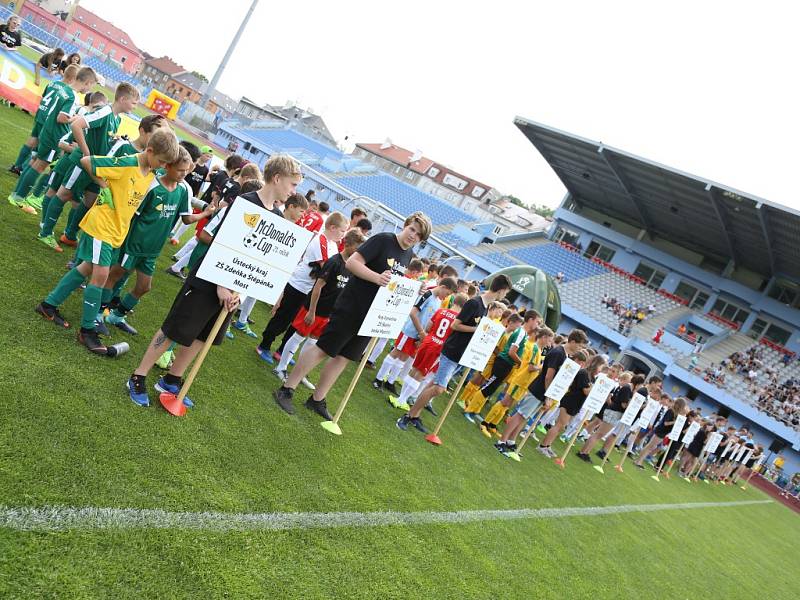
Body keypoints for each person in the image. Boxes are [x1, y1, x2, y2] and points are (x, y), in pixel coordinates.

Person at [125, 154, 303, 407]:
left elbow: (259, 259)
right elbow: (222, 243)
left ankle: (172, 379)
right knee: (175, 328)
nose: (294, 191)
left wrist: (239, 292)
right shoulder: (245, 202)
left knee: (202, 334)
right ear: (277, 178)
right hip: (209, 280)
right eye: (293, 184)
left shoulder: (277, 217)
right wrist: (222, 285)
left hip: (233, 291)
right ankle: (138, 375)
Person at [273, 212, 433, 418]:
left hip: (372, 317)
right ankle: (287, 388)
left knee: (344, 357)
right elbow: (352, 263)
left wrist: (414, 288)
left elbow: (393, 283)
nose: (413, 236)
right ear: (406, 224)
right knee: (324, 348)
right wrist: (377, 277)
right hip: (352, 306)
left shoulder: (408, 255)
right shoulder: (383, 240)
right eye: (412, 229)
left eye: (419, 235)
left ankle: (317, 399)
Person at [35, 129, 180, 353]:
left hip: (117, 231)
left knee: (86, 268)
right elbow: (86, 161)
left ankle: (48, 305)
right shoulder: (126, 163)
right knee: (100, 275)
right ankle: (87, 331)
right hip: (101, 226)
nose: (162, 166)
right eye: (161, 161)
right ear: (149, 151)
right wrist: (104, 186)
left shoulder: (150, 173)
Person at [103, 146, 213, 335]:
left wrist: (205, 213)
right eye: (180, 170)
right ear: (167, 166)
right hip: (134, 244)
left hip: (152, 250)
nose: (183, 174)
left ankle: (117, 316)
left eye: (186, 171)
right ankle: (97, 314)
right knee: (115, 276)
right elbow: (132, 215)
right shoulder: (152, 185)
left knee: (144, 287)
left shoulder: (183, 190)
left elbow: (186, 218)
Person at [396, 274, 513, 433]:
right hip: (452, 350)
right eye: (506, 292)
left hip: (461, 353)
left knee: (433, 385)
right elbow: (455, 325)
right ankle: (408, 415)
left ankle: (415, 414)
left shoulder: (485, 307)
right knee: (439, 388)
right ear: (501, 290)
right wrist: (476, 329)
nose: (505, 296)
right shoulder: (474, 303)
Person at [36, 82, 141, 251]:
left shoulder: (116, 118)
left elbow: (101, 138)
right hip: (83, 164)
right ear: (122, 99)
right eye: (134, 103)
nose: (135, 107)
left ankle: (70, 234)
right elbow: (76, 125)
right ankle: (46, 233)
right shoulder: (105, 112)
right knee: (64, 193)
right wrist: (86, 154)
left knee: (91, 200)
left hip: (96, 167)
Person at [274, 228, 366, 381]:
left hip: (329, 314)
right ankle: (280, 368)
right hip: (315, 310)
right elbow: (317, 287)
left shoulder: (351, 266)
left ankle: (300, 372)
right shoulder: (334, 262)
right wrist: (311, 311)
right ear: (348, 244)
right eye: (358, 248)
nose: (359, 252)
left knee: (313, 342)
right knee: (299, 336)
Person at [256, 212, 348, 363]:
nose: (343, 235)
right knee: (283, 318)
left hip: (310, 290)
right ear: (332, 227)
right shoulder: (321, 240)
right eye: (342, 231)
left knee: (297, 322)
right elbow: (326, 266)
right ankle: (264, 345)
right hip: (298, 285)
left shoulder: (333, 245)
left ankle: (282, 351)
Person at [9, 67, 97, 208]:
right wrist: (76, 118)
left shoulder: (64, 89)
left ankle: (16, 194)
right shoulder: (72, 95)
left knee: (34, 163)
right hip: (54, 135)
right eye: (92, 84)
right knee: (38, 166)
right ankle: (19, 198)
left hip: (47, 130)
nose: (90, 89)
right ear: (87, 82)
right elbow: (61, 118)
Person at [231, 192, 310, 337]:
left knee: (254, 292)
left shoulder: (296, 229)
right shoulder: (275, 217)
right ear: (291, 206)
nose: (303, 216)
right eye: (301, 211)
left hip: (269, 266)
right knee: (241, 289)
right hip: (255, 262)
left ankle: (241, 320)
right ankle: (228, 319)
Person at [372, 277, 458, 395]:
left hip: (418, 335)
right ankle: (379, 378)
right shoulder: (427, 294)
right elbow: (413, 312)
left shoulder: (438, 302)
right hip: (409, 331)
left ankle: (390, 381)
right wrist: (421, 332)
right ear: (443, 287)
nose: (446, 297)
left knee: (404, 357)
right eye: (447, 293)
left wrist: (422, 335)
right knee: (396, 353)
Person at [389, 293, 472, 411]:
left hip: (428, 342)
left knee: (415, 369)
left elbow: (428, 327)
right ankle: (402, 400)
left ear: (454, 301)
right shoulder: (459, 321)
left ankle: (400, 398)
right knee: (421, 374)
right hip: (439, 348)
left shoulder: (440, 311)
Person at [477, 311, 543, 437]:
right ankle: (482, 419)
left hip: (511, 367)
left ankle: (491, 423)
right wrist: (521, 363)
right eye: (537, 322)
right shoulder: (522, 333)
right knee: (490, 387)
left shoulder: (525, 336)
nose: (537, 325)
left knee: (501, 396)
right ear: (530, 320)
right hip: (505, 363)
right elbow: (513, 353)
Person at [537, 354, 606, 456]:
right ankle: (542, 446)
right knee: (559, 424)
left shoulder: (592, 377)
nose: (601, 370)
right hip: (570, 401)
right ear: (596, 364)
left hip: (577, 403)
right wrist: (596, 388)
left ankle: (548, 445)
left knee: (561, 426)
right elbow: (586, 391)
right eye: (601, 367)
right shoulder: (584, 373)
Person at [634, 397, 687, 468]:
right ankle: (638, 461)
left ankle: (638, 461)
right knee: (650, 447)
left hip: (664, 433)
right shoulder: (671, 411)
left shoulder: (675, 413)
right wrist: (675, 422)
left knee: (651, 447)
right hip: (660, 431)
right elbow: (665, 423)